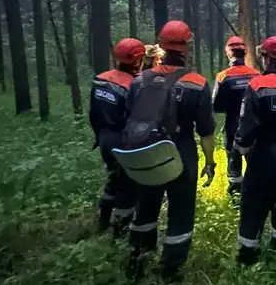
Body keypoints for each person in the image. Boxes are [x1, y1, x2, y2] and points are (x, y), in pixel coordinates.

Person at [124, 21, 217, 283]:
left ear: (161, 45)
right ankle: (171, 271)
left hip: (144, 152)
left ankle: (137, 265)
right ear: (187, 47)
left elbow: (128, 117)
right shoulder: (197, 83)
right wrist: (210, 163)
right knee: (181, 212)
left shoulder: (139, 80)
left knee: (145, 208)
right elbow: (206, 131)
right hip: (182, 153)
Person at [233, 36, 276, 265]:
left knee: (252, 208)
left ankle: (247, 259)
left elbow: (247, 125)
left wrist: (241, 149)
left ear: (267, 57)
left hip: (263, 160)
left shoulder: (257, 85)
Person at [89, 38, 146, 236]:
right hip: (122, 141)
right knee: (128, 187)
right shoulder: (132, 85)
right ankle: (119, 232)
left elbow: (92, 113)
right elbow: (136, 118)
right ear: (138, 60)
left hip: (103, 137)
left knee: (114, 177)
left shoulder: (100, 79)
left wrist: (98, 136)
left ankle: (103, 219)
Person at [212, 36, 260, 196]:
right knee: (255, 164)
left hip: (233, 127)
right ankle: (255, 196)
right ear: (244, 53)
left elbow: (216, 106)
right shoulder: (256, 75)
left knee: (234, 166)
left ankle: (235, 198)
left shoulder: (223, 76)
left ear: (228, 53)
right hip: (255, 129)